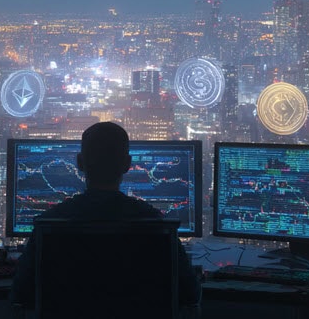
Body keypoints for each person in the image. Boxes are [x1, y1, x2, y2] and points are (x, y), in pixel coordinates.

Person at [10, 121, 202, 311]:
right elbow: (190, 294)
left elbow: (21, 294)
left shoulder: (49, 224)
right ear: (127, 164)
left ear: (79, 163)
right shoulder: (158, 226)